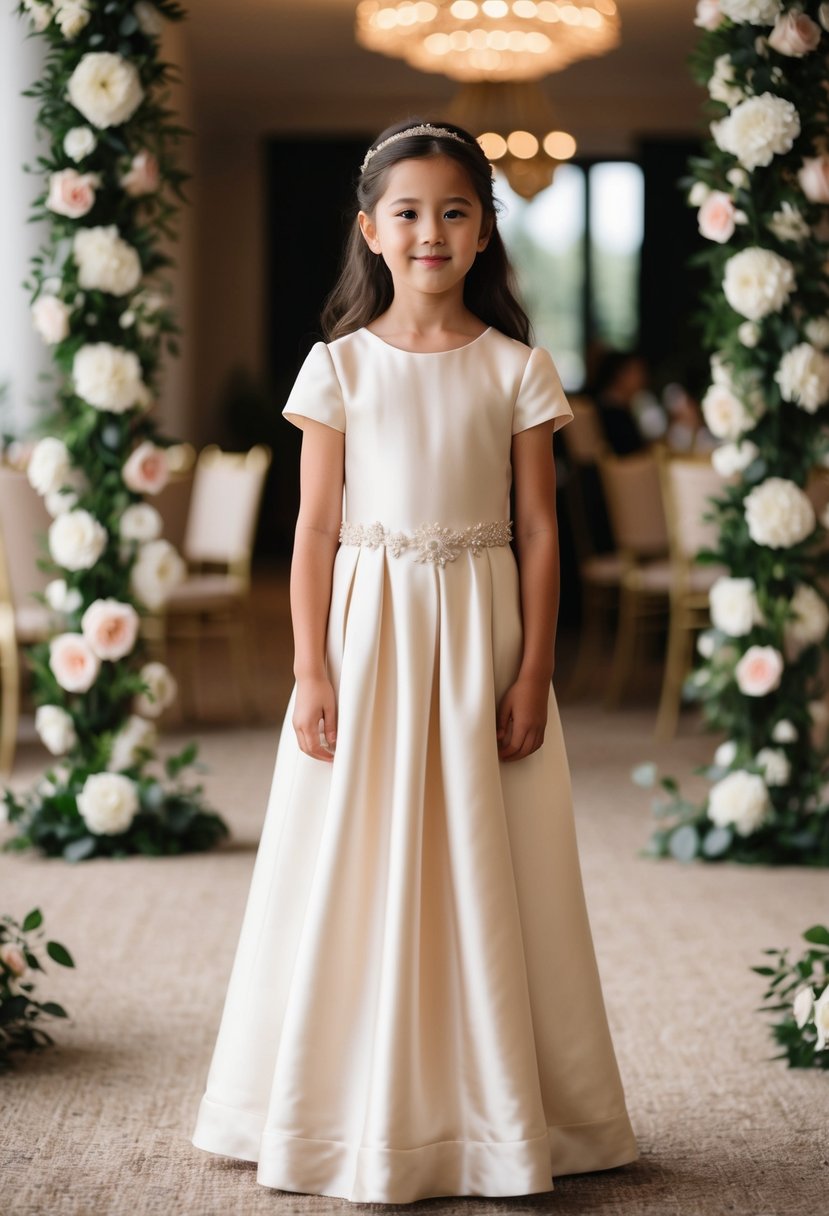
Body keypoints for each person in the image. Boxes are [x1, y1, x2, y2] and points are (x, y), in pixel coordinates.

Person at [190, 119, 638, 1204]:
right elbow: (308, 533)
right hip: (368, 638)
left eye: (454, 211)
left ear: (484, 232)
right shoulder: (336, 366)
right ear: (370, 231)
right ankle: (328, 1102)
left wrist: (531, 674)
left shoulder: (518, 368)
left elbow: (539, 531)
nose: (430, 230)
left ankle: (497, 1106)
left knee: (491, 860)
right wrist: (310, 667)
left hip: (479, 637)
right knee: (351, 855)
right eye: (408, 212)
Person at [591, 348, 651, 456]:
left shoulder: (604, 405)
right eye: (637, 372)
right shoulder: (614, 416)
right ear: (620, 375)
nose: (643, 378)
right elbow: (632, 454)